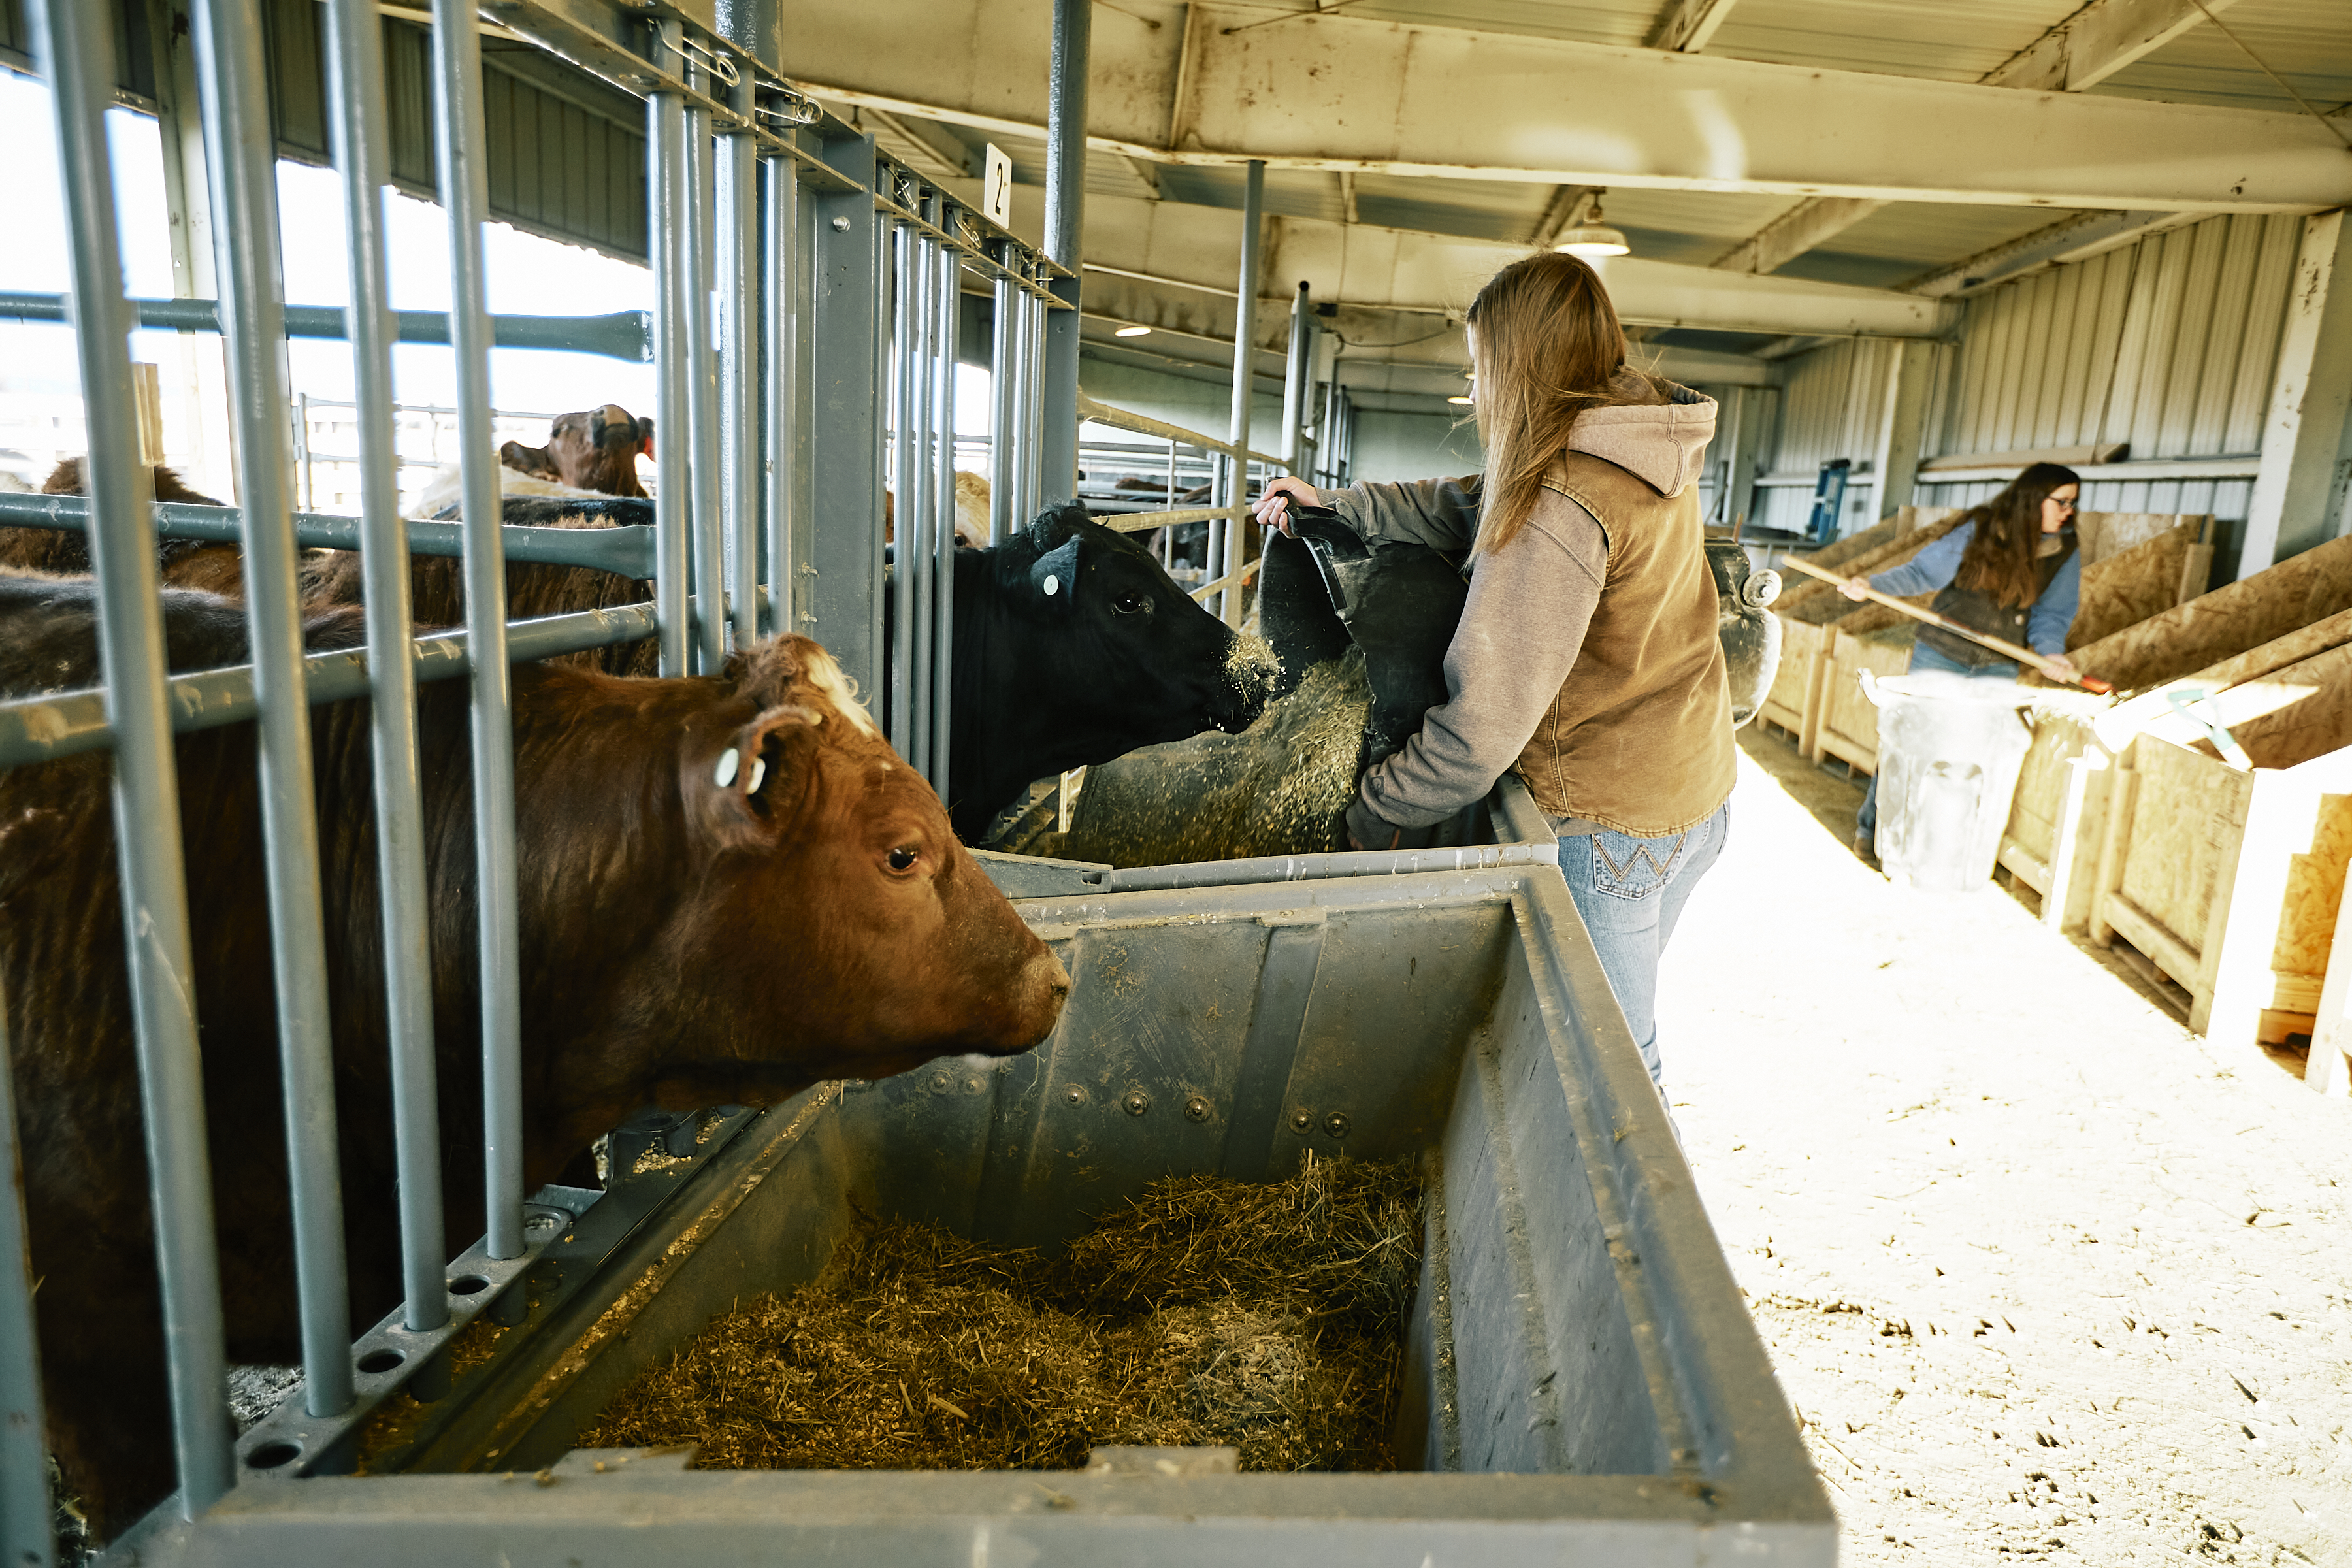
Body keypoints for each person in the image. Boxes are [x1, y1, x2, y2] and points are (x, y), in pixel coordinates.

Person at [1253, 251, 1732, 1094]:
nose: (1471, 394)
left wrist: (1367, 813)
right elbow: (1473, 496)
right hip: (1694, 796)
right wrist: (1344, 506)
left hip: (1610, 826)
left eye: (1479, 370)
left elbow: (1480, 734)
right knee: (1613, 1047)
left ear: (1517, 369)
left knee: (1613, 1075)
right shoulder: (1640, 444)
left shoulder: (1563, 504)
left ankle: (1651, 1230)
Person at [1840, 462, 2083, 862]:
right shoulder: (1982, 530)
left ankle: (1944, 851)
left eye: (2073, 504)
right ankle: (1874, 831)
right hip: (1943, 652)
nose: (2068, 512)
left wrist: (2051, 653)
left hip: (2000, 664)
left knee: (1973, 757)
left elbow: (2051, 616)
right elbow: (1922, 573)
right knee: (1913, 741)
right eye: (2062, 502)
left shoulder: (2063, 551)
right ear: (2033, 498)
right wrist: (1873, 586)